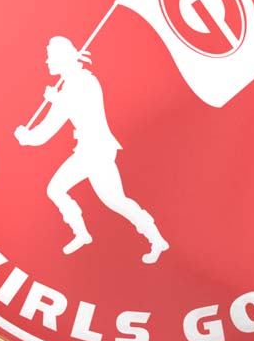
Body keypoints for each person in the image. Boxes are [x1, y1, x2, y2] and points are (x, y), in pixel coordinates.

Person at [14, 37, 169, 264]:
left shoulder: (80, 83)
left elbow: (50, 128)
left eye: (50, 56)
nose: (47, 61)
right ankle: (84, 234)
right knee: (77, 193)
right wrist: (56, 101)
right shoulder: (74, 84)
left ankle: (155, 239)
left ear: (63, 58)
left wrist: (27, 137)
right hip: (89, 150)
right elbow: (66, 114)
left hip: (95, 151)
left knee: (113, 200)